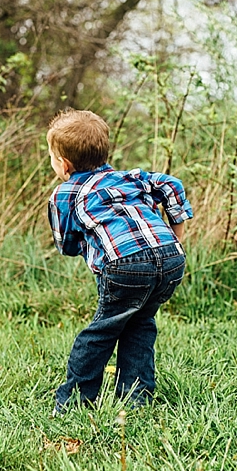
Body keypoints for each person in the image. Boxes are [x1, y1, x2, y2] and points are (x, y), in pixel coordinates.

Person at [46, 109, 193, 414]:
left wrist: (85, 247)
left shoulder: (65, 194)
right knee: (140, 323)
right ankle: (135, 400)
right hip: (171, 261)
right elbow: (172, 184)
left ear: (64, 164)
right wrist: (174, 236)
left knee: (101, 331)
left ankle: (75, 402)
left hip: (125, 265)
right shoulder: (131, 178)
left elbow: (67, 245)